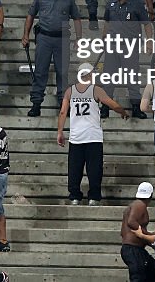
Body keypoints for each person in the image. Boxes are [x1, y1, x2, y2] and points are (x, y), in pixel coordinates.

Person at [58, 62, 128, 205]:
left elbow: (63, 112)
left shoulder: (69, 91)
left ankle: (75, 196)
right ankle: (94, 197)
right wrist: (123, 111)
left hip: (76, 137)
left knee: (74, 169)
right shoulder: (96, 90)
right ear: (90, 74)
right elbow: (111, 104)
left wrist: (60, 131)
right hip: (93, 136)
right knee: (94, 168)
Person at [23, 0, 83, 117]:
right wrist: (26, 35)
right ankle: (36, 104)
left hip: (62, 39)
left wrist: (79, 38)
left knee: (62, 73)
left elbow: (76, 18)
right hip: (44, 37)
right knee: (40, 72)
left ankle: (64, 104)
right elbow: (30, 15)